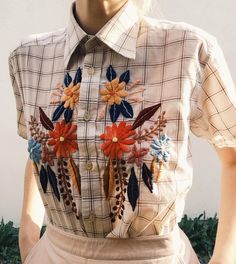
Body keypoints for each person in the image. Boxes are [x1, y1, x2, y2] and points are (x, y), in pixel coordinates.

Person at [8, 0, 236, 263]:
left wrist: (224, 259)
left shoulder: (189, 50)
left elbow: (232, 154)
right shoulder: (28, 58)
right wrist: (28, 235)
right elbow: (42, 149)